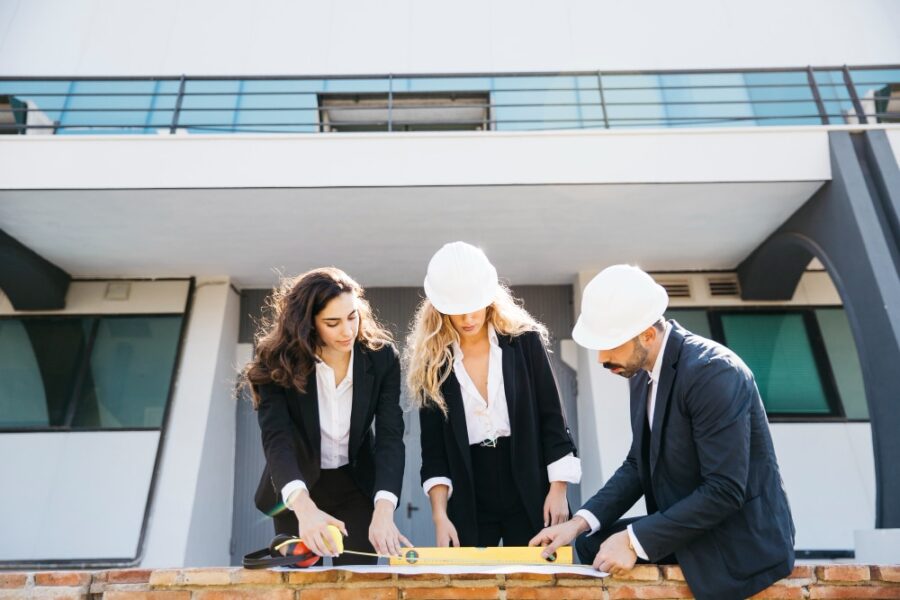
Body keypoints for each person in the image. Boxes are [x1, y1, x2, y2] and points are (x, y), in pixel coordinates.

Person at [529, 264, 795, 600]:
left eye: (610, 345)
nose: (601, 358)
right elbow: (638, 465)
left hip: (734, 540)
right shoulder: (643, 373)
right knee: (588, 543)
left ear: (648, 335)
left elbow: (725, 490)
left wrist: (632, 540)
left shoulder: (714, 374)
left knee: (612, 549)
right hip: (690, 526)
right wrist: (578, 522)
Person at [405, 241, 581, 547]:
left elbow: (552, 419)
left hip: (529, 479)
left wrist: (559, 490)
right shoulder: (433, 364)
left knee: (538, 584)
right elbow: (433, 452)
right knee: (468, 584)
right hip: (469, 489)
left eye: (474, 305)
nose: (468, 318)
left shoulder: (525, 342)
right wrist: (439, 517)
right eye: (456, 310)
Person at [244, 267, 409, 565]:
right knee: (302, 588)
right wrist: (304, 509)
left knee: (359, 587)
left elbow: (390, 437)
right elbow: (276, 440)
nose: (347, 331)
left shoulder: (382, 358)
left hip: (356, 486)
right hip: (297, 488)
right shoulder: (275, 361)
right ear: (307, 324)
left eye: (352, 317)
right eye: (332, 323)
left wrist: (384, 510)